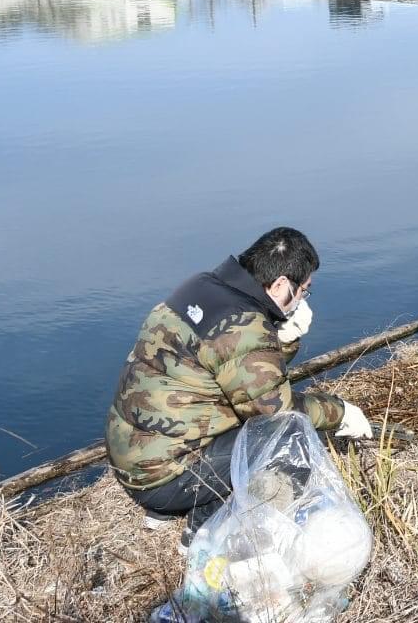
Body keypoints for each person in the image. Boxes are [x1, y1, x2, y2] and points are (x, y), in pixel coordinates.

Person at [105, 227, 373, 536]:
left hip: (132, 456)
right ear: (281, 284)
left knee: (250, 423)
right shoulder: (244, 324)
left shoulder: (202, 285)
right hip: (163, 478)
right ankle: (203, 529)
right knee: (286, 439)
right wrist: (340, 414)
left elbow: (241, 372)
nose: (302, 299)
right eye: (304, 290)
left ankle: (166, 508)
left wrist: (284, 338)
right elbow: (277, 411)